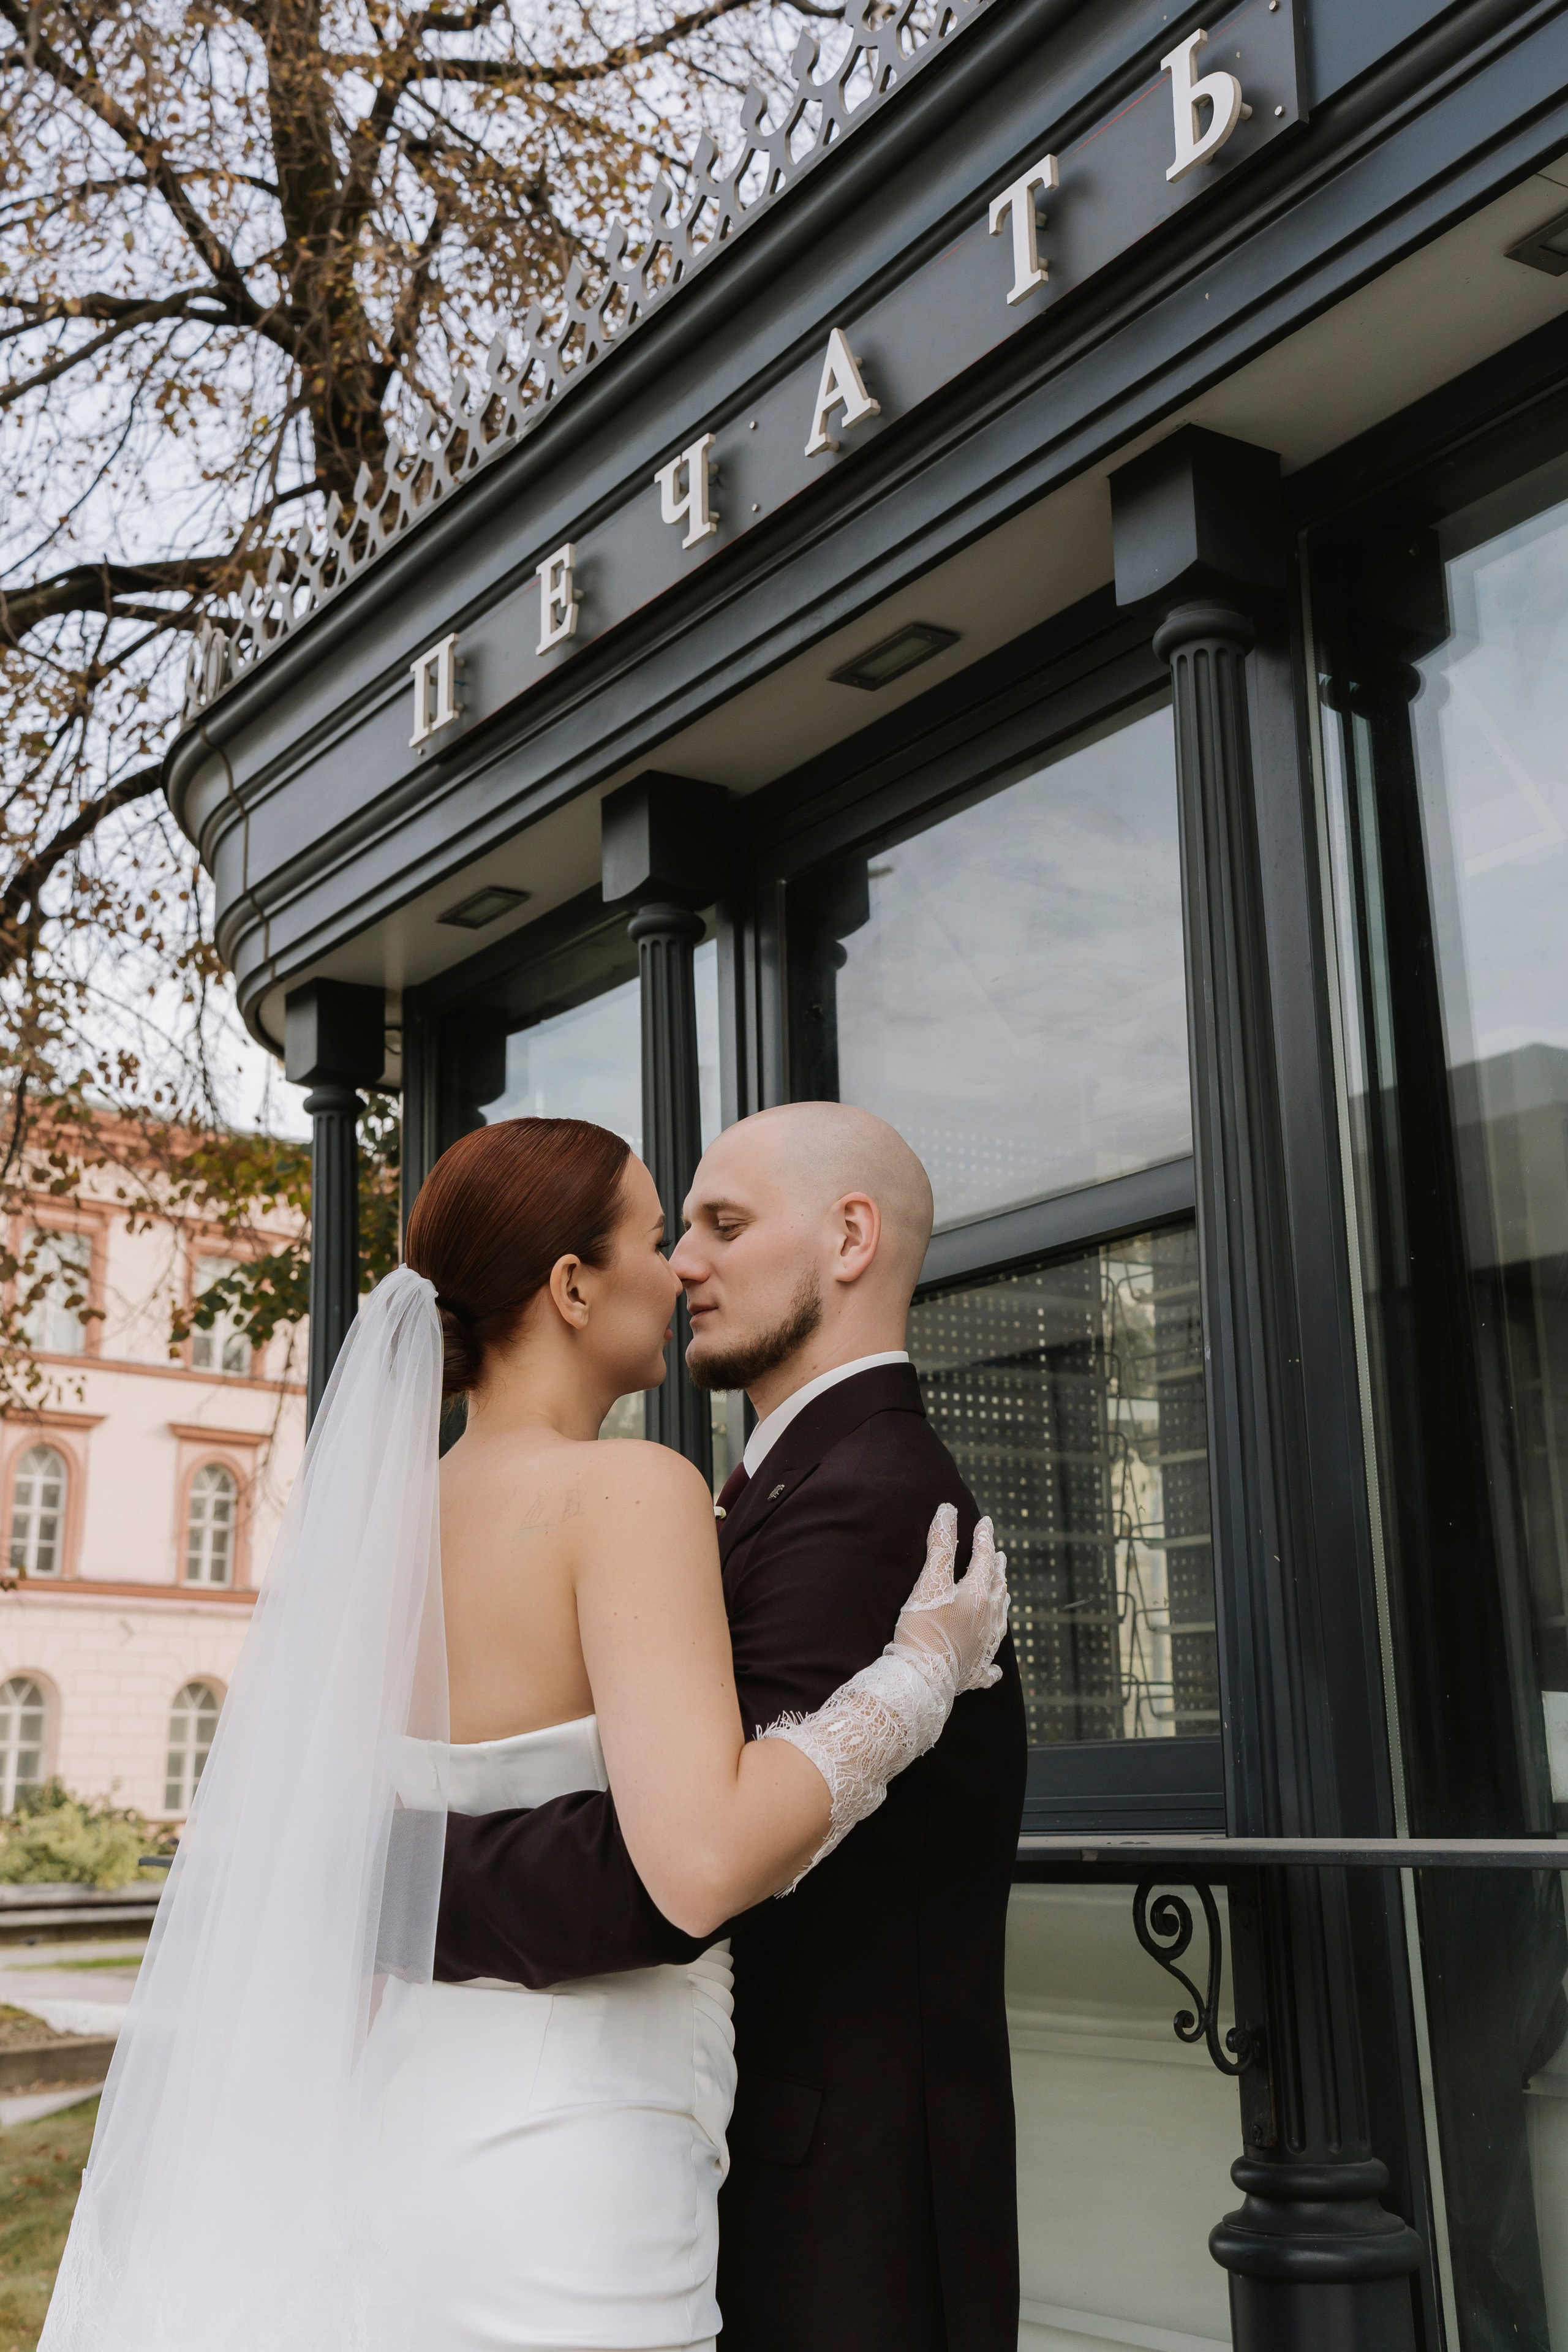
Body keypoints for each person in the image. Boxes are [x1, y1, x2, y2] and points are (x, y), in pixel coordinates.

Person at [40, 1113, 1007, 2352]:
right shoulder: (629, 1490)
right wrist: (916, 1682)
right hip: (575, 2144)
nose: (678, 1274)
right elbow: (699, 1860)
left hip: (396, 2123)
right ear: (568, 1286)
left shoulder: (380, 1527)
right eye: (660, 1240)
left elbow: (367, 1838)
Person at [438, 1101, 1030, 2352]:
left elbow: (673, 1868)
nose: (685, 1265)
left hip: (838, 2208)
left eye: (719, 1225)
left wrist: (370, 1877)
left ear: (849, 1238)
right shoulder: (734, 1491)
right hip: (673, 2160)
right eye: (671, 1233)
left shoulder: (875, 1499)